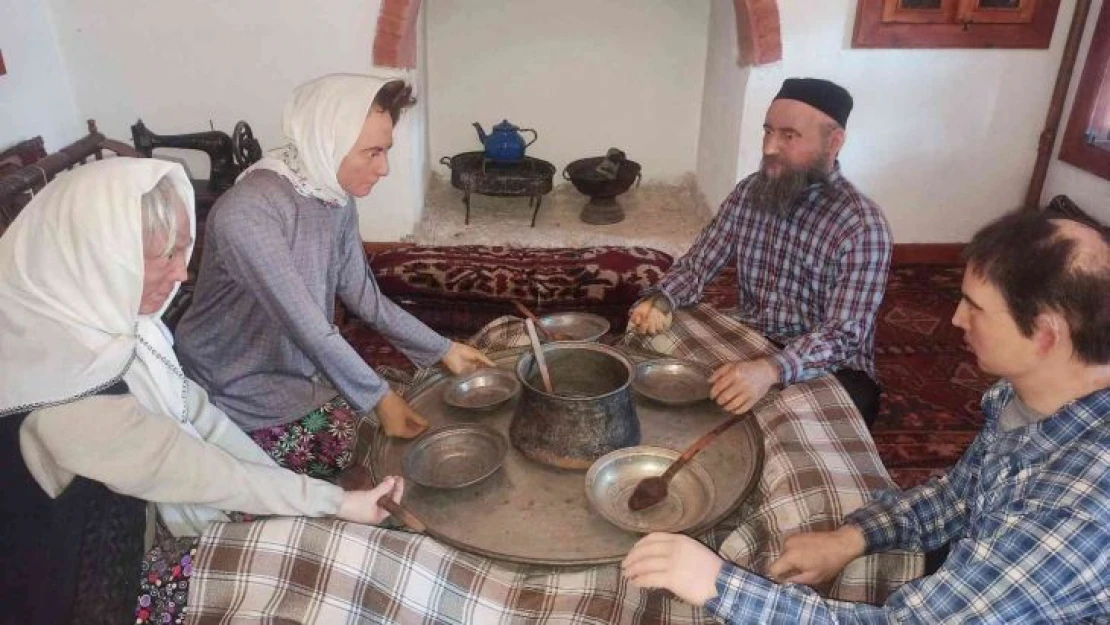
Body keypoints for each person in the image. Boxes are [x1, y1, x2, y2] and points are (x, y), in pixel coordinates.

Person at [622, 209, 1110, 622]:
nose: (957, 318)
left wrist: (717, 584)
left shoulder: (1079, 508)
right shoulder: (1028, 399)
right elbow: (961, 496)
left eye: (975, 307)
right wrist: (852, 537)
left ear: (1046, 335)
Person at [0, 158, 405, 624]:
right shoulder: (60, 386)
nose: (182, 275)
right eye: (165, 257)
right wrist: (331, 502)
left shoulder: (123, 332)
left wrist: (303, 500)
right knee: (324, 585)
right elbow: (192, 467)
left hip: (143, 534)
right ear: (101, 258)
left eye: (182, 252)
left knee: (329, 551)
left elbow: (199, 413)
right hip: (96, 593)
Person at [175, 74, 492, 478]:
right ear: (328, 140)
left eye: (386, 151)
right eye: (372, 152)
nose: (385, 168)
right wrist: (378, 398)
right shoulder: (248, 214)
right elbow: (307, 326)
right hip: (235, 386)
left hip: (297, 367)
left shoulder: (331, 195)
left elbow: (366, 299)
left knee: (421, 398)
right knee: (379, 457)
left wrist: (443, 349)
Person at [629, 78, 891, 427]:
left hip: (827, 365)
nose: (769, 147)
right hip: (750, 334)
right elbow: (699, 264)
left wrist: (770, 370)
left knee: (806, 416)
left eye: (788, 136)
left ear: (834, 142)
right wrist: (662, 299)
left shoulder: (862, 226)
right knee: (646, 336)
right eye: (767, 132)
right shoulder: (750, 192)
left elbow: (842, 335)